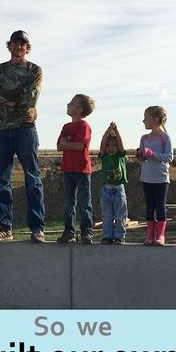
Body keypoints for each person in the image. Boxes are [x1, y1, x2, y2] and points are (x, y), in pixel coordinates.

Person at [0, 30, 45, 243]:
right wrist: (11, 98)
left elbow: (30, 98)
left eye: (23, 44)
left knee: (33, 179)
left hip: (25, 129)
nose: (19, 47)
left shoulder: (34, 70)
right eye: (15, 43)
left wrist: (6, 99)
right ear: (9, 46)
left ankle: (37, 228)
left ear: (27, 48)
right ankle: (4, 226)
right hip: (1, 130)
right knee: (2, 181)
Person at [57, 94, 95, 244]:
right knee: (68, 203)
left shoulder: (84, 126)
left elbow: (80, 146)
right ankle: (69, 232)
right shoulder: (66, 127)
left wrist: (68, 143)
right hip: (67, 169)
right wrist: (67, 144)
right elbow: (59, 145)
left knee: (84, 202)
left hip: (82, 170)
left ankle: (87, 232)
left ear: (79, 109)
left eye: (72, 103)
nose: (68, 104)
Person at [136, 105, 173, 246]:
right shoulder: (144, 138)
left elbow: (169, 157)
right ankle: (150, 236)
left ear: (156, 119)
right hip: (147, 178)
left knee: (160, 206)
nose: (143, 121)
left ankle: (160, 235)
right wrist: (140, 156)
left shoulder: (165, 138)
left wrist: (152, 154)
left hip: (161, 178)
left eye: (146, 118)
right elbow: (142, 159)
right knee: (150, 206)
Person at [99, 122, 128, 244]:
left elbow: (121, 144)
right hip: (106, 190)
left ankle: (119, 236)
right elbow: (103, 143)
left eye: (114, 145)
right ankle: (107, 236)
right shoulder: (104, 156)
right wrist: (108, 130)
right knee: (107, 216)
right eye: (109, 145)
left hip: (119, 190)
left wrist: (116, 131)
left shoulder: (120, 156)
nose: (111, 148)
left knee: (120, 216)